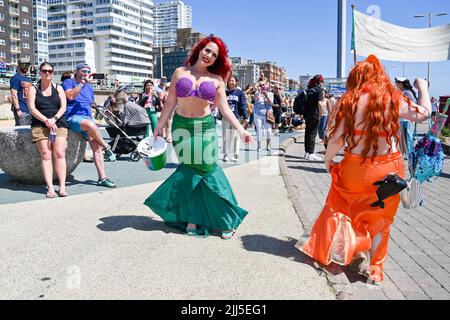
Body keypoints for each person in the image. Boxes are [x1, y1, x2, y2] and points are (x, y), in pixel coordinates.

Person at [296, 55, 431, 285]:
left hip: (355, 168)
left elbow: (337, 140)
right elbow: (424, 113)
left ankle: (340, 257)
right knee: (381, 220)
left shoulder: (349, 100)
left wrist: (329, 162)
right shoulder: (393, 98)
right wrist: (423, 87)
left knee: (343, 211)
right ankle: (376, 270)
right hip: (388, 169)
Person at [144, 35, 253, 240]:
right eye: (207, 50)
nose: (209, 55)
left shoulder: (217, 79)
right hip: (180, 127)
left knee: (209, 170)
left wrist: (242, 130)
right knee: (189, 171)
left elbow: (225, 109)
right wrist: (158, 127)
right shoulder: (179, 72)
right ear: (199, 50)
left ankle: (227, 218)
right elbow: (170, 103)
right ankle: (192, 218)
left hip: (204, 129)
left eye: (214, 54)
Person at [62, 62, 117, 188]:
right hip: (73, 118)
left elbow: (90, 103)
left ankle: (102, 178)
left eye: (87, 72)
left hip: (87, 118)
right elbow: (70, 96)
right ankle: (107, 148)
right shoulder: (68, 83)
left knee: (96, 147)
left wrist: (98, 113)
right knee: (91, 126)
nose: (85, 74)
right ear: (76, 71)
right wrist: (82, 83)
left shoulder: (89, 88)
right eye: (83, 71)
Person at [27, 62, 69, 198]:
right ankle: (50, 188)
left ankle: (62, 187)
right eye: (44, 71)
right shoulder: (33, 88)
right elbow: (32, 109)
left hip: (58, 123)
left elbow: (63, 106)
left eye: (50, 71)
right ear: (40, 72)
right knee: (45, 154)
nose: (47, 73)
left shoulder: (58, 88)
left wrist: (54, 119)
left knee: (59, 154)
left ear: (53, 73)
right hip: (40, 124)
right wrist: (46, 120)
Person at [223, 75, 247, 162]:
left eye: (232, 81)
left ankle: (236, 154)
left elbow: (243, 105)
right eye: (229, 80)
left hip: (236, 117)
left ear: (236, 82)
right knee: (226, 136)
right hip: (225, 117)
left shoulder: (240, 93)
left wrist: (245, 116)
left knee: (235, 136)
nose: (231, 82)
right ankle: (226, 154)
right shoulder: (224, 93)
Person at [395, 77, 418, 160]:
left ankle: (407, 153)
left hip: (406, 118)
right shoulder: (401, 92)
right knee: (402, 136)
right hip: (401, 117)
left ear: (402, 83)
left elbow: (412, 104)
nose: (396, 83)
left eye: (397, 82)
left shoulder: (407, 92)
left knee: (406, 137)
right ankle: (403, 152)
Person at [303, 74, 325, 161]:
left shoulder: (308, 90)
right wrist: (322, 113)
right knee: (313, 134)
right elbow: (319, 103)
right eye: (322, 81)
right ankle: (311, 153)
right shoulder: (318, 90)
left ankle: (307, 152)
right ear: (319, 81)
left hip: (307, 114)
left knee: (307, 133)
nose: (323, 83)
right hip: (314, 114)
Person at [10, 58, 32, 126]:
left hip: (28, 110)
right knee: (22, 133)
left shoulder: (27, 79)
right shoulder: (16, 78)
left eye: (28, 65)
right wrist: (18, 109)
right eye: (24, 65)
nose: (26, 67)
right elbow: (14, 95)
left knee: (28, 133)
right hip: (21, 110)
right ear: (19, 66)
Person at [253, 82, 274, 153]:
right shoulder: (257, 93)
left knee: (268, 130)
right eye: (261, 85)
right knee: (259, 129)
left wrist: (266, 96)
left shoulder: (271, 94)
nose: (262, 86)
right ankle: (259, 146)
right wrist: (258, 93)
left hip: (268, 114)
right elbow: (256, 101)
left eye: (263, 85)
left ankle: (268, 145)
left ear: (267, 86)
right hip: (258, 114)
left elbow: (271, 103)